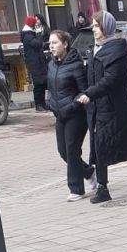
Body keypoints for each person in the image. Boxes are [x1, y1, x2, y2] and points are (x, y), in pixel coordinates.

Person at [77, 10, 127, 204]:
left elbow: (111, 80)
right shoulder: (95, 49)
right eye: (94, 26)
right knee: (100, 147)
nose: (94, 29)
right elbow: (91, 77)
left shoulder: (116, 50)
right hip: (98, 108)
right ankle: (103, 188)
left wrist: (89, 94)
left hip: (116, 109)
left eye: (97, 26)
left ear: (108, 27)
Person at [47, 30, 97, 201]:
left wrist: (73, 104)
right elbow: (50, 88)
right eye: (50, 43)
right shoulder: (51, 64)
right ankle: (89, 172)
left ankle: (76, 189)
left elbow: (84, 91)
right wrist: (50, 102)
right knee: (63, 152)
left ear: (65, 44)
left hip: (76, 115)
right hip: (59, 114)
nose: (51, 46)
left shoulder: (76, 65)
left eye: (54, 43)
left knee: (72, 150)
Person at [21, 15, 49, 112]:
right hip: (35, 63)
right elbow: (38, 44)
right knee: (38, 85)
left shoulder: (29, 34)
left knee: (41, 84)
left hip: (37, 62)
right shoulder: (28, 36)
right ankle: (39, 104)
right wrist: (39, 34)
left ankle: (43, 104)